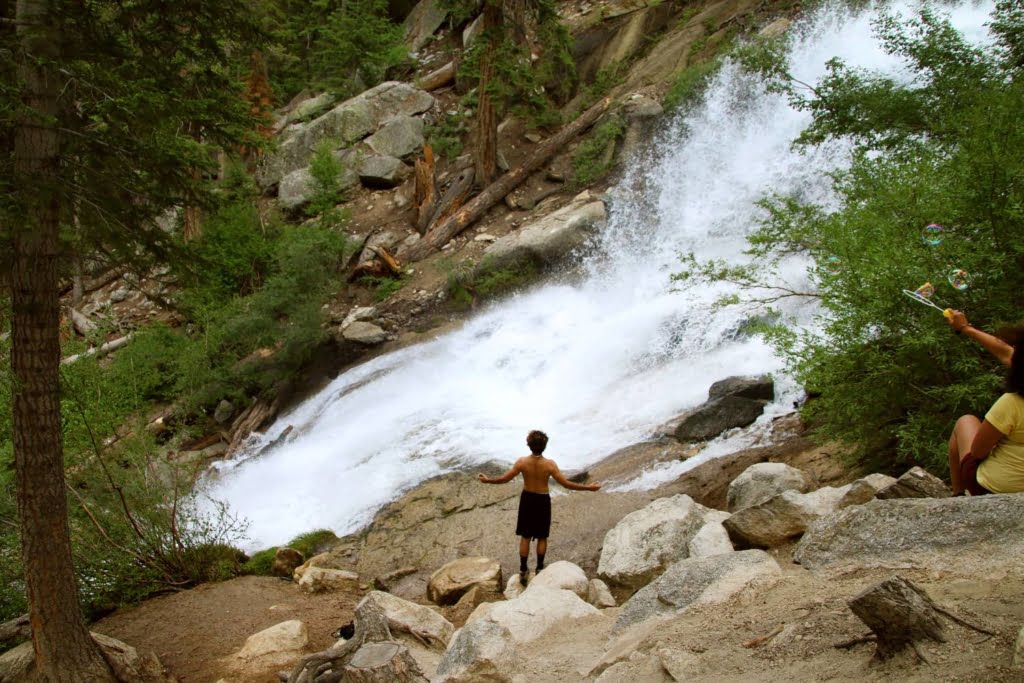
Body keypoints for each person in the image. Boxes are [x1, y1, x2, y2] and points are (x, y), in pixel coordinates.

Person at [478, 430, 601, 585]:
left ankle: (523, 570)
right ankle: (540, 568)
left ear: (528, 444)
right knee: (542, 536)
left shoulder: (522, 462)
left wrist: (488, 480)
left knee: (525, 537)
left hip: (527, 499)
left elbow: (504, 479)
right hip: (542, 500)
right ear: (545, 446)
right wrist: (589, 488)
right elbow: (566, 484)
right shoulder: (549, 464)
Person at [945, 311, 1024, 495]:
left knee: (965, 422)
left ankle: (958, 496)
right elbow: (1007, 353)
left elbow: (978, 452)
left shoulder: (1011, 403)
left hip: (994, 488)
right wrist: (965, 328)